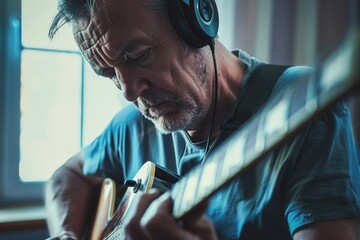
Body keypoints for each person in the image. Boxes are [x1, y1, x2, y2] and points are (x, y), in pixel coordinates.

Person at [45, 0, 360, 239]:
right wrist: (64, 234)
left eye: (137, 55)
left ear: (197, 20)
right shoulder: (132, 127)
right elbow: (66, 176)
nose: (128, 92)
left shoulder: (300, 105)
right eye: (108, 73)